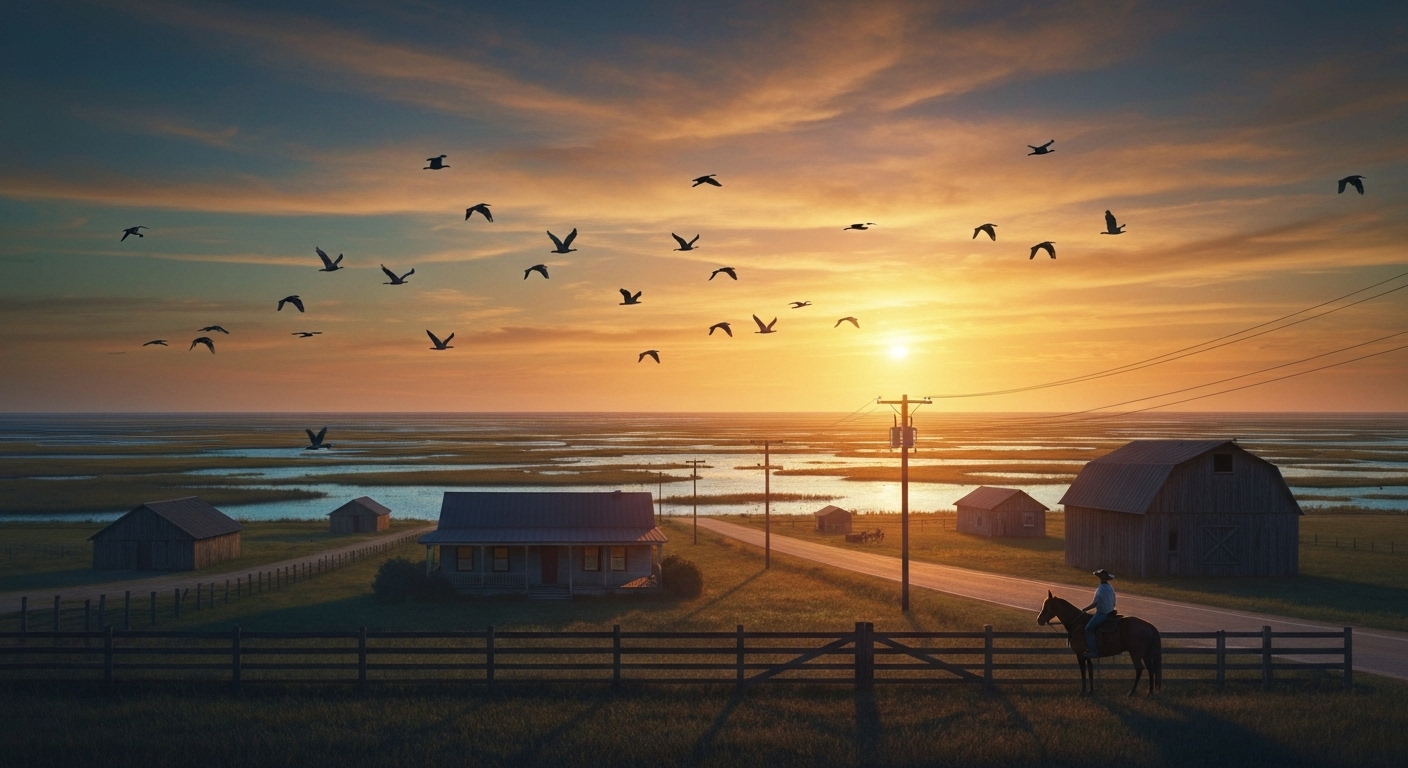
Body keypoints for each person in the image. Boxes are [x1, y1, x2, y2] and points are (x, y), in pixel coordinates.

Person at [1082, 569, 1116, 659]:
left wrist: (1085, 609)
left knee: (1088, 629)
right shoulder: (1110, 588)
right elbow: (1114, 602)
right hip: (1110, 612)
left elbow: (1095, 603)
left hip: (1102, 613)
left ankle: (1094, 651)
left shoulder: (1100, 589)